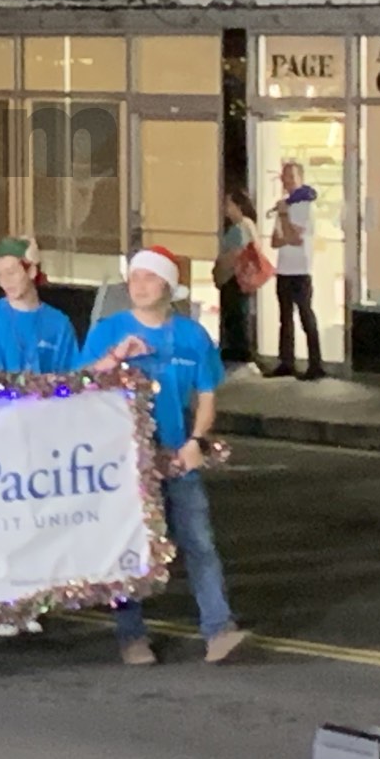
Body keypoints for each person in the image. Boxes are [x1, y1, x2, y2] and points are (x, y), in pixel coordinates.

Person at [82, 246, 246, 666]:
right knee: (132, 548)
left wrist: (197, 441)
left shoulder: (192, 336)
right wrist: (116, 357)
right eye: (134, 277)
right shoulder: (108, 330)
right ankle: (132, 635)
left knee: (199, 543)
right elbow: (80, 384)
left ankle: (218, 629)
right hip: (126, 462)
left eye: (149, 278)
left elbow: (206, 395)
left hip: (176, 457)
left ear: (169, 287)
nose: (139, 285)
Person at [0, 237, 78, 375]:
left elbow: (70, 378)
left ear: (32, 271)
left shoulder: (59, 324)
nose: (5, 281)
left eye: (11, 273)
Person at [268, 162, 325, 380]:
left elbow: (294, 238)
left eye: (292, 176)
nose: (288, 181)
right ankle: (286, 362)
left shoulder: (304, 206)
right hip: (283, 269)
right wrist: (285, 229)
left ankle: (315, 364)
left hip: (300, 270)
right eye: (285, 176)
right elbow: (275, 241)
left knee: (305, 316)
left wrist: (284, 218)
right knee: (285, 319)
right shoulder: (285, 205)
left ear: (301, 178)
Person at [214, 192, 259, 367]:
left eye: (228, 204)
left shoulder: (240, 228)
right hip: (236, 278)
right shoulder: (246, 226)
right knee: (236, 316)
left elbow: (235, 255)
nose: (226, 209)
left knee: (235, 317)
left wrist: (221, 272)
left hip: (233, 278)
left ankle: (238, 354)